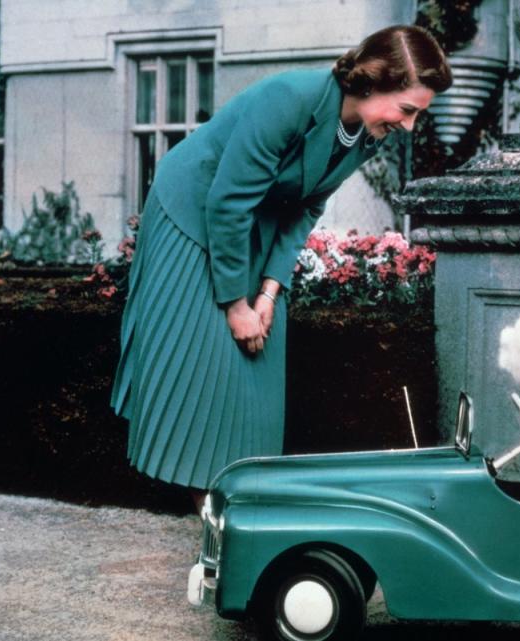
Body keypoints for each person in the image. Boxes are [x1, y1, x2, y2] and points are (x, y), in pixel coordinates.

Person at [110, 25, 452, 511]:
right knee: (206, 368)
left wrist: (269, 291)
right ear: (373, 82)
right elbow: (227, 204)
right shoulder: (288, 99)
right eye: (408, 110)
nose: (411, 126)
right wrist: (234, 305)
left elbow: (307, 209)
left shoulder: (366, 134)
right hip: (191, 214)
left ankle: (242, 512)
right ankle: (215, 520)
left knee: (255, 376)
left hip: (255, 223)